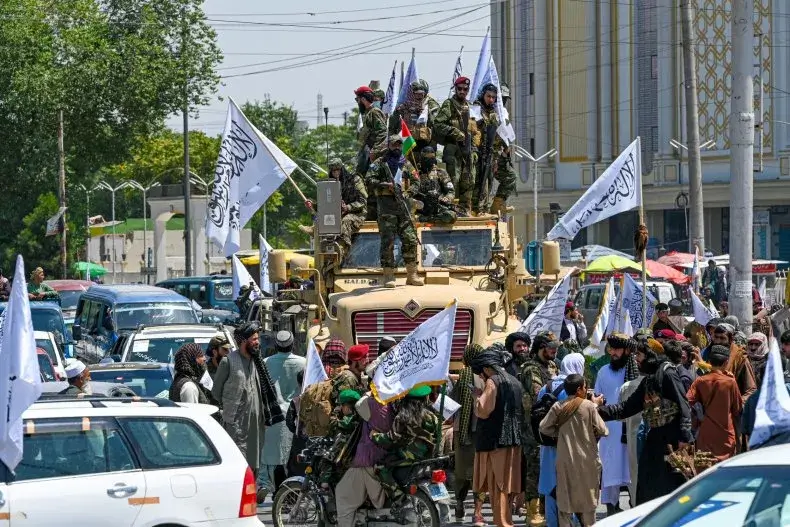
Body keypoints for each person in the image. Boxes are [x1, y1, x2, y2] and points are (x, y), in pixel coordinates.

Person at [595, 338, 693, 505]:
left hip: (672, 440)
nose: (636, 359)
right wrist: (596, 411)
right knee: (647, 486)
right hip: (655, 437)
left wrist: (684, 438)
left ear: (651, 355)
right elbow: (627, 407)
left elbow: (683, 405)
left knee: (673, 487)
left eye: (639, 355)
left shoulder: (668, 373)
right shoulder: (649, 379)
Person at [212, 322, 284, 492]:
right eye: (254, 339)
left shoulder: (258, 362)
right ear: (243, 341)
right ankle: (239, 494)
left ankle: (250, 492)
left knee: (254, 461)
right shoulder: (228, 362)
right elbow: (216, 392)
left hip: (256, 424)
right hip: (236, 424)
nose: (257, 342)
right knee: (239, 461)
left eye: (257, 338)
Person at [540, 373, 609, 527]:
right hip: (587, 461)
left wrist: (559, 434)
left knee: (565, 502)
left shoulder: (558, 406)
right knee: (588, 503)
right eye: (585, 387)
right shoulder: (589, 406)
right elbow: (604, 430)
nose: (586, 390)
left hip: (565, 461)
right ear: (579, 389)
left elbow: (543, 427)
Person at [470, 347, 523, 527]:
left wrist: (477, 397)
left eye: (481, 373)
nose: (481, 377)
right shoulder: (515, 381)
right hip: (513, 442)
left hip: (495, 443)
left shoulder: (493, 382)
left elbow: (483, 411)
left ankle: (503, 524)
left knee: (498, 486)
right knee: (507, 485)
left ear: (486, 369)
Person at [536, 352, 585, 527]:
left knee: (551, 487)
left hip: (548, 444)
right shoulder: (575, 388)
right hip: (570, 445)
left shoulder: (546, 387)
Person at [367, 134, 422, 288]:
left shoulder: (405, 163)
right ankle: (389, 275)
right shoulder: (379, 163)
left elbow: (417, 182)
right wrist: (385, 185)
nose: (397, 147)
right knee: (388, 242)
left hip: (404, 207)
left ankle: (412, 274)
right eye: (394, 145)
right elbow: (369, 180)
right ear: (388, 146)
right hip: (386, 208)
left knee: (410, 240)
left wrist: (407, 193)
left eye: (399, 145)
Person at [334, 391, 394, 527]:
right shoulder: (392, 404)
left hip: (367, 458)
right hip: (384, 454)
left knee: (343, 495)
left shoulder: (373, 405)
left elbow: (358, 405)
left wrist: (367, 394)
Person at [260, 330, 307, 497]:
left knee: (275, 459)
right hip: (297, 416)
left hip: (274, 416)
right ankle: (290, 494)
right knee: (292, 458)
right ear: (293, 344)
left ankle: (274, 490)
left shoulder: (265, 363)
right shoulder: (304, 362)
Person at [519, 331, 560, 524]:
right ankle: (533, 511)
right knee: (535, 468)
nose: (554, 351)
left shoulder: (552, 365)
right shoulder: (530, 369)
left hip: (551, 425)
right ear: (541, 348)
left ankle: (547, 508)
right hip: (533, 428)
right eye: (551, 347)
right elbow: (538, 395)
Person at [372, 385, 441, 498]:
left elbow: (391, 438)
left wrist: (375, 436)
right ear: (425, 399)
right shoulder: (432, 417)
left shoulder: (403, 417)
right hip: (430, 456)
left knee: (381, 468)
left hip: (409, 457)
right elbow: (438, 437)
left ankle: (399, 496)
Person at [594, 334, 633, 517]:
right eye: (611, 349)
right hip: (610, 427)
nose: (614, 353)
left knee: (631, 465)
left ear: (626, 351)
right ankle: (611, 504)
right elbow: (598, 398)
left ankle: (635, 503)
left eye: (617, 349)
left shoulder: (634, 370)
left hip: (631, 425)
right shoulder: (603, 371)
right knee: (611, 466)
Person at [686, 344, 742, 462]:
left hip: (706, 434)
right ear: (726, 362)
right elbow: (737, 409)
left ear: (710, 361)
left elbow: (687, 401)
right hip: (726, 435)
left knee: (705, 469)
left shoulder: (700, 381)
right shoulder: (730, 382)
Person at [303, 158, 368, 260]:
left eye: (338, 170)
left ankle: (341, 248)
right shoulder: (331, 184)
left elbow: (363, 201)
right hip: (338, 212)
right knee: (325, 220)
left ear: (342, 169)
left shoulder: (355, 179)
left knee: (346, 221)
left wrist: (348, 207)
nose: (336, 173)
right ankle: (316, 231)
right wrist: (313, 205)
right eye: (333, 171)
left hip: (357, 213)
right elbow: (326, 204)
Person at [434, 76, 480, 215]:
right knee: (453, 180)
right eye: (459, 89)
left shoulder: (470, 106)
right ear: (455, 88)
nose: (462, 91)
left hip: (468, 150)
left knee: (469, 181)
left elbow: (475, 131)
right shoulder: (449, 104)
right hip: (453, 149)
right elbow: (438, 124)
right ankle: (450, 210)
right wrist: (455, 132)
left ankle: (465, 209)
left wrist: (474, 149)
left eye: (465, 89)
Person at [451, 344, 486, 525]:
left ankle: (459, 505)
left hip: (463, 431)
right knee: (479, 473)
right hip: (478, 431)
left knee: (461, 472)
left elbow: (456, 403)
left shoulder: (465, 374)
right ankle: (478, 512)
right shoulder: (484, 375)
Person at [471, 83, 516, 216]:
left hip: (494, 155)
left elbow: (504, 136)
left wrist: (503, 154)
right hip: (479, 153)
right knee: (481, 181)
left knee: (509, 177)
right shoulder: (480, 110)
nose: (504, 102)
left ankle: (496, 206)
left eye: (505, 99)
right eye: (503, 99)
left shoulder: (500, 114)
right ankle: (478, 208)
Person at [389, 79, 440, 159]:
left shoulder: (431, 106)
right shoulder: (403, 106)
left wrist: (425, 112)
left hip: (426, 146)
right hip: (406, 144)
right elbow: (392, 126)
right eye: (415, 94)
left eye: (420, 94)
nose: (418, 96)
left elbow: (436, 126)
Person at [413, 146, 457, 224]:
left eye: (432, 157)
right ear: (422, 158)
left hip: (437, 207)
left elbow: (451, 191)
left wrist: (446, 199)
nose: (430, 160)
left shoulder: (441, 172)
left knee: (451, 216)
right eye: (426, 157)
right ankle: (426, 218)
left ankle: (432, 218)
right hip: (420, 208)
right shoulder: (416, 173)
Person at [354, 85, 387, 183]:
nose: (358, 102)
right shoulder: (368, 113)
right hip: (367, 152)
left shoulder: (374, 112)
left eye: (358, 99)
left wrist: (375, 151)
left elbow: (382, 132)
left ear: (363, 99)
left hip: (373, 154)